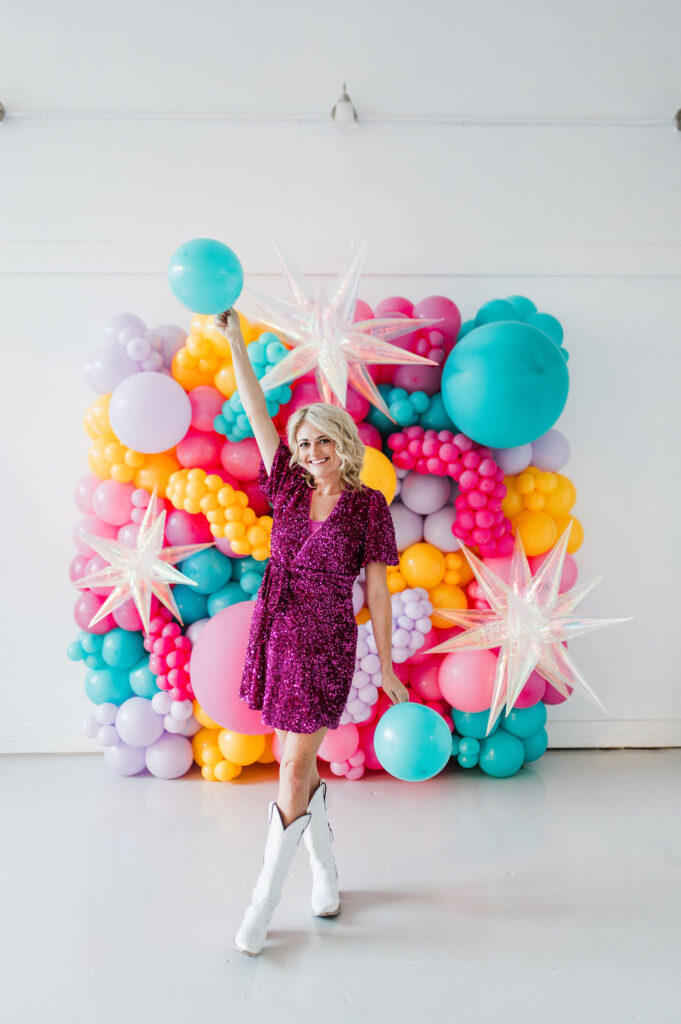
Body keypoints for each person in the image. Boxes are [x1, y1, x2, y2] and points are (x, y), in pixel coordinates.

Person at [214, 309, 409, 957]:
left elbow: (377, 589)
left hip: (327, 639)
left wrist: (386, 663)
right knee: (295, 768)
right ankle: (324, 874)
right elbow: (252, 401)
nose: (311, 453)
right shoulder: (288, 488)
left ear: (342, 443)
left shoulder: (366, 506)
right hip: (277, 633)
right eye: (302, 444)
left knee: (294, 764)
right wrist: (236, 339)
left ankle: (260, 908)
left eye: (322, 441)